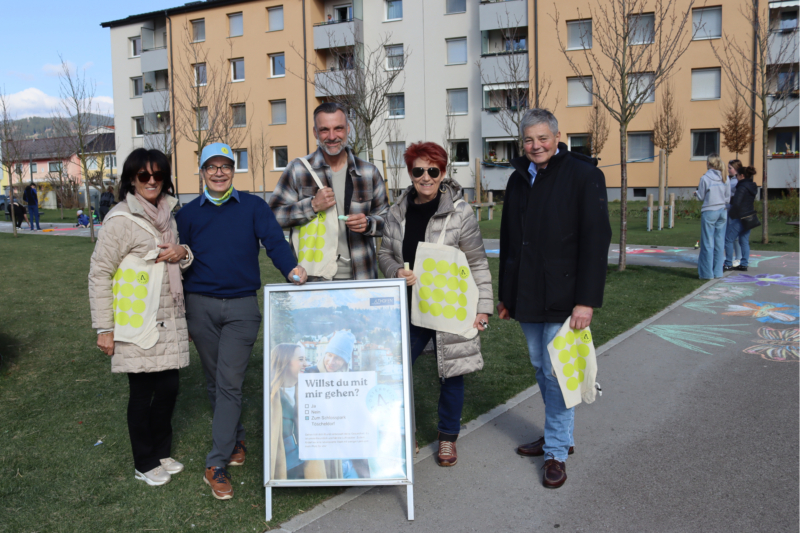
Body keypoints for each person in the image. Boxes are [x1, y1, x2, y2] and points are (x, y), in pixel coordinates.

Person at [175, 142, 308, 501]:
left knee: (229, 382)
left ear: (233, 169)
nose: (219, 172)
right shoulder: (186, 215)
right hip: (200, 306)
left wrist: (291, 268)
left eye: (225, 166)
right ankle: (235, 438)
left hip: (241, 308)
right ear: (202, 172)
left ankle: (214, 463)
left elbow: (275, 243)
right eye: (211, 167)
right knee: (216, 381)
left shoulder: (252, 206)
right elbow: (179, 263)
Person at [497, 108, 612, 489]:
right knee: (538, 366)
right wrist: (506, 295)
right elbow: (510, 241)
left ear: (557, 137)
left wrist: (587, 300)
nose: (536, 146)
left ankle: (557, 452)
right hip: (527, 293)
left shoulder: (584, 175)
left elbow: (597, 240)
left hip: (565, 295)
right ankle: (558, 435)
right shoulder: (517, 180)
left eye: (543, 138)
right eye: (528, 139)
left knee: (555, 371)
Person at [378, 141, 492, 467]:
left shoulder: (460, 212)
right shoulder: (396, 211)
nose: (425, 177)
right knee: (394, 372)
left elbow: (477, 262)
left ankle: (447, 438)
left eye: (433, 170)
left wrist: (482, 306)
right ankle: (402, 434)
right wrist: (395, 271)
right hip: (409, 308)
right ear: (410, 173)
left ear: (443, 173)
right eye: (418, 170)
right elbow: (385, 253)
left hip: (449, 308)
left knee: (452, 374)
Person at [88, 148, 193, 486]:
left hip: (170, 316)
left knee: (169, 389)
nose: (151, 181)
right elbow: (100, 273)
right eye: (144, 175)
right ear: (132, 179)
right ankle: (144, 461)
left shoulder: (167, 214)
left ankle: (161, 451)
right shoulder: (120, 219)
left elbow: (176, 261)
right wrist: (105, 327)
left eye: (158, 175)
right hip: (138, 321)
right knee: (142, 392)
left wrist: (183, 252)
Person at [269, 102, 389, 281]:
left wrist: (369, 223)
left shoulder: (368, 172)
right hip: (311, 279)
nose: (332, 136)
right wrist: (312, 205)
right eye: (324, 130)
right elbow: (272, 216)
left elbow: (388, 220)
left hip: (362, 278)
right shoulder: (298, 169)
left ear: (348, 129)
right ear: (315, 132)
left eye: (338, 128)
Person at [268, 343, 327, 480]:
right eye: (300, 359)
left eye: (305, 359)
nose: (306, 364)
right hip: (286, 468)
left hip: (305, 465)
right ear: (284, 362)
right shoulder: (270, 396)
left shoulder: (309, 392)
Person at [696, 153, 730, 279]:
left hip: (710, 211)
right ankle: (717, 272)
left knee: (707, 243)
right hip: (722, 210)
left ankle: (706, 274)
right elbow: (727, 197)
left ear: (709, 163)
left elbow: (701, 197)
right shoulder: (725, 177)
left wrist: (696, 193)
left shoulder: (705, 178)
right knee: (719, 242)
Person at [724, 166, 758, 272]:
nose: (736, 176)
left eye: (737, 175)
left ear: (742, 176)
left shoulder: (742, 187)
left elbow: (737, 203)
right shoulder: (751, 186)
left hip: (740, 217)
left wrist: (732, 215)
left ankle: (728, 264)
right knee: (744, 241)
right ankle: (744, 264)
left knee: (728, 239)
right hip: (749, 217)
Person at [726, 160, 743, 268]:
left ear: (736, 169)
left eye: (730, 167)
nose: (728, 169)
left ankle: (739, 258)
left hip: (735, 209)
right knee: (729, 235)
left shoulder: (738, 181)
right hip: (728, 208)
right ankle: (732, 257)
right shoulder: (729, 178)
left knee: (735, 235)